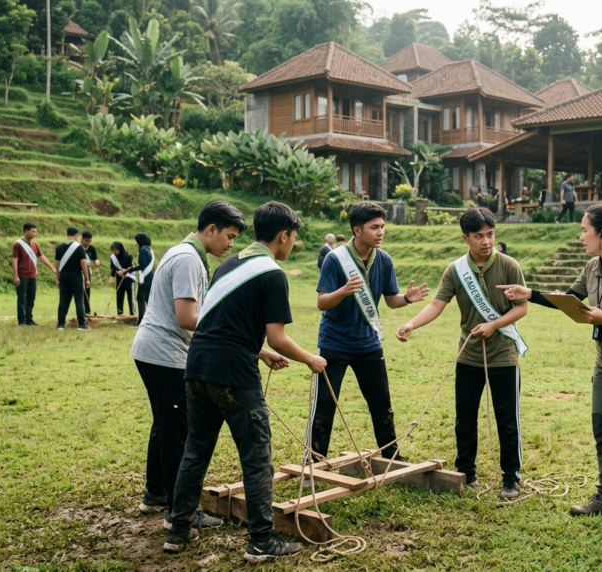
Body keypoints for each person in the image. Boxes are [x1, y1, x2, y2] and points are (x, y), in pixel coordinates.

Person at [165, 202, 326, 561]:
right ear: (284, 235)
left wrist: (260, 353)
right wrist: (310, 359)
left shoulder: (229, 264)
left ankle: (178, 529)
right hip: (234, 374)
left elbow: (222, 324)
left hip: (197, 367)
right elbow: (277, 337)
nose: (292, 244)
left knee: (196, 449)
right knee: (256, 457)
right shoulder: (272, 274)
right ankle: (261, 541)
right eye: (293, 238)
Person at [498, 204, 602, 536]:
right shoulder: (593, 266)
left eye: (584, 230)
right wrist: (531, 294)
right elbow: (570, 298)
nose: (580, 235)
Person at [396, 208, 529, 500]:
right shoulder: (455, 270)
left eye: (490, 234)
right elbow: (436, 304)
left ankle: (511, 478)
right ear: (465, 238)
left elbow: (522, 308)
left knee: (507, 419)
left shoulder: (509, 265)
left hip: (504, 356)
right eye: (479, 236)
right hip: (468, 357)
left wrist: (494, 325)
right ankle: (466, 472)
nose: (486, 241)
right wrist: (411, 323)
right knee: (464, 418)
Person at [130, 201, 245, 529]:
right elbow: (186, 317)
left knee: (165, 425)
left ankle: (155, 493)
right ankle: (179, 510)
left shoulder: (182, 252)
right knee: (178, 431)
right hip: (165, 355)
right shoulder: (189, 260)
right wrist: (225, 331)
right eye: (229, 236)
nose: (230, 244)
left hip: (152, 351)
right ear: (211, 229)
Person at [308, 203, 431, 464]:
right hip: (334, 342)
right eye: (374, 227)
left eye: (382, 226)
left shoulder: (383, 259)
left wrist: (407, 299)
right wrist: (343, 291)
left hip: (368, 343)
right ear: (357, 230)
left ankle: (391, 455)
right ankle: (314, 461)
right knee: (325, 406)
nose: (380, 232)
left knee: (381, 403)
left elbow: (390, 300)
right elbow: (321, 302)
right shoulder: (335, 259)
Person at [12, 222, 56, 327]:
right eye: (33, 231)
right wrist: (16, 275)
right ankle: (21, 321)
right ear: (26, 231)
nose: (34, 233)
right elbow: (14, 259)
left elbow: (41, 256)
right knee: (22, 298)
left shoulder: (35, 244)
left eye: (35, 231)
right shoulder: (18, 244)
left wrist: (52, 268)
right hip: (22, 275)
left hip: (32, 275)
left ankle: (29, 319)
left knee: (31, 298)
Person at [55, 226, 90, 331]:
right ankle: (82, 324)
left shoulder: (59, 247)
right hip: (76, 276)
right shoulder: (79, 247)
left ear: (67, 234)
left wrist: (58, 279)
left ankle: (61, 324)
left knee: (63, 300)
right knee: (79, 300)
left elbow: (57, 265)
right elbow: (83, 263)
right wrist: (87, 279)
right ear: (77, 235)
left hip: (64, 276)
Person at [118, 233, 154, 325]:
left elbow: (142, 266)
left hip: (144, 279)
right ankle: (150, 320)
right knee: (148, 300)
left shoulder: (142, 250)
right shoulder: (149, 250)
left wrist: (130, 270)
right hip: (150, 277)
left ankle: (141, 321)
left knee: (140, 299)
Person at [108, 242, 136, 316]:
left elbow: (132, 267)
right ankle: (120, 313)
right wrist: (112, 277)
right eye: (112, 250)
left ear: (120, 249)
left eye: (115, 250)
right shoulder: (113, 257)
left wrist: (125, 271)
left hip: (129, 279)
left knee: (131, 298)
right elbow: (114, 268)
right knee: (119, 297)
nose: (114, 252)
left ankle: (133, 314)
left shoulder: (128, 256)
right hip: (120, 279)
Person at [81, 231, 100, 315]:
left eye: (90, 241)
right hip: (79, 270)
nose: (88, 243)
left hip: (87, 270)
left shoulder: (92, 248)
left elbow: (95, 258)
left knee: (87, 289)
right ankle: (81, 310)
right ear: (82, 239)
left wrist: (96, 261)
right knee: (81, 290)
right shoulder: (78, 248)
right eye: (86, 241)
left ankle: (87, 310)